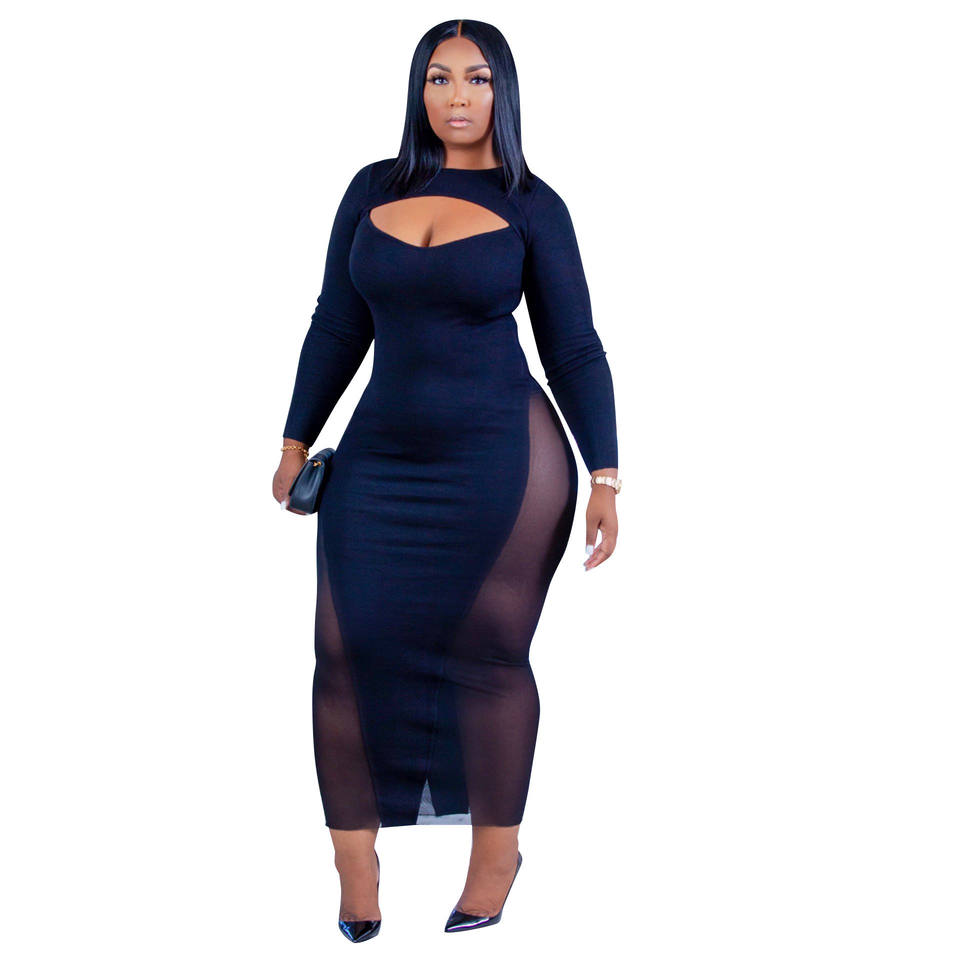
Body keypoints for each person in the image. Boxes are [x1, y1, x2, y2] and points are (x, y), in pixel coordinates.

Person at [272, 19, 621, 942]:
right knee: (343, 652)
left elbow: (574, 347)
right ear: (417, 89)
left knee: (489, 657)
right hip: (379, 458)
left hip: (504, 461)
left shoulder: (533, 205)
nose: (456, 96)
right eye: (438, 77)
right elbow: (336, 322)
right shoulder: (371, 189)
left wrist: (607, 474)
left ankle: (496, 860)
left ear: (503, 91)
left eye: (476, 78)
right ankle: (355, 867)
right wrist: (295, 438)